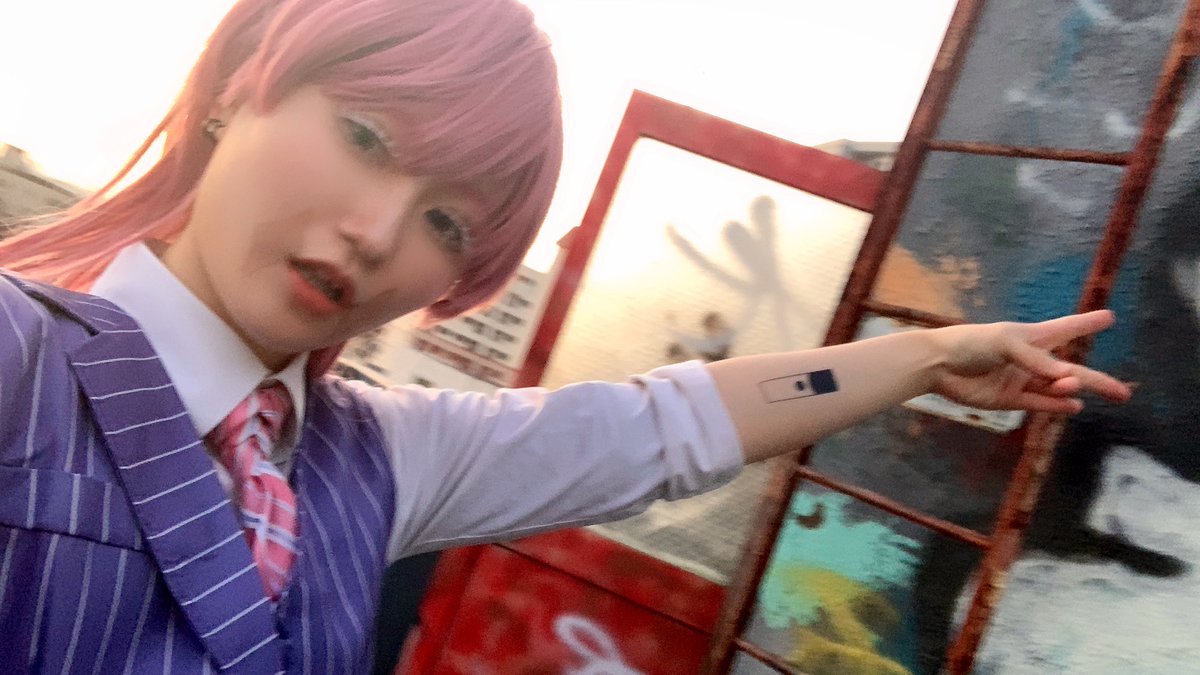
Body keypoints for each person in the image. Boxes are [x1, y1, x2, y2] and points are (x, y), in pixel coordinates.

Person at [0, 0, 1131, 672]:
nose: (378, 234)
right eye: (365, 136)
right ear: (237, 88)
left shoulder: (374, 461)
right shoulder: (20, 357)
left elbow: (661, 427)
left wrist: (922, 357)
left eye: (448, 222)